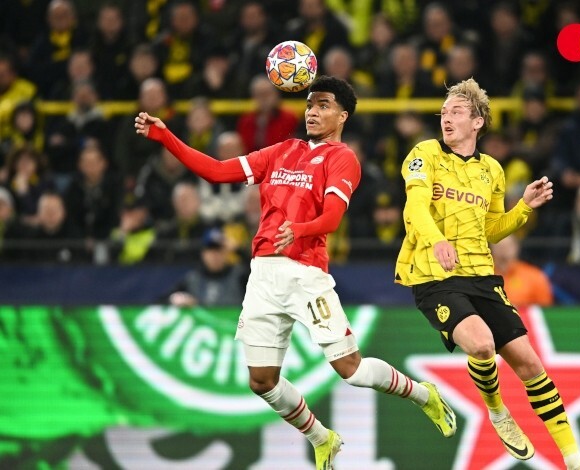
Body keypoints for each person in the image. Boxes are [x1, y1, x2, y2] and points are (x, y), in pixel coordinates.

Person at [134, 75, 456, 470]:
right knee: (262, 382)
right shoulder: (282, 150)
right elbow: (217, 171)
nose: (313, 112)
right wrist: (167, 138)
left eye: (323, 105)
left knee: (350, 371)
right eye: (309, 105)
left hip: (306, 275)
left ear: (343, 114)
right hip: (263, 276)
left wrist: (298, 230)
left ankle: (424, 396)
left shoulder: (343, 159)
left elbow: (333, 218)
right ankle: (322, 438)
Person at [395, 78, 580, 470]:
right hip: (433, 274)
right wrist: (436, 241)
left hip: (481, 275)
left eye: (456, 112)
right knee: (482, 345)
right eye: (443, 112)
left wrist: (523, 208)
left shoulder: (492, 170)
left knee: (531, 365)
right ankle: (498, 411)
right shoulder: (425, 154)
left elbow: (488, 230)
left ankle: (574, 460)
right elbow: (415, 209)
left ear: (478, 122)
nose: (446, 119)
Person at [491, 234, 553, 307]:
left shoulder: (534, 276)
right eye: (499, 246)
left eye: (507, 246)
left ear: (516, 247)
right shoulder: (483, 276)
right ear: (491, 248)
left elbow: (546, 311)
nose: (503, 250)